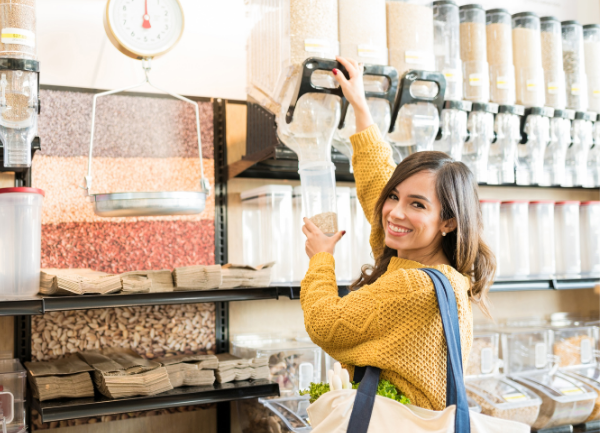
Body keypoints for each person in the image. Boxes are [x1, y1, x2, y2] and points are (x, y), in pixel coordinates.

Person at [300, 56, 496, 411]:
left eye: (417, 205)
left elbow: (325, 324)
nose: (395, 212)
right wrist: (359, 103)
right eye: (395, 197)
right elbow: (379, 179)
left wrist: (320, 260)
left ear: (448, 222)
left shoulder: (413, 285)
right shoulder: (436, 269)